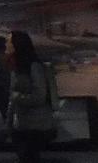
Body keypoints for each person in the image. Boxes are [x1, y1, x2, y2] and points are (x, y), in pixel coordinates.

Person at [5, 31, 59, 163]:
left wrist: (17, 97)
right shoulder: (16, 68)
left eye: (9, 41)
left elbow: (39, 96)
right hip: (23, 125)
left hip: (37, 125)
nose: (6, 44)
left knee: (28, 156)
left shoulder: (34, 67)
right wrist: (8, 124)